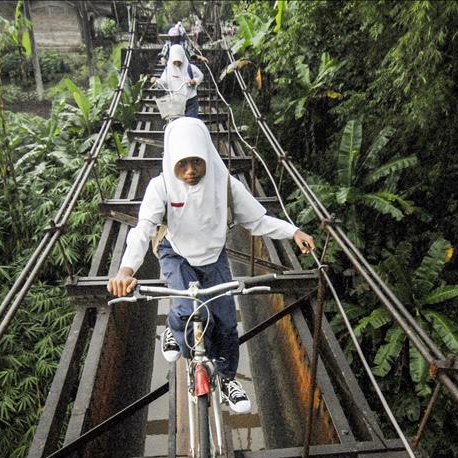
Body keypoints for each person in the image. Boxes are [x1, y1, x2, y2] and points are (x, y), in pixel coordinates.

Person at [108, 117, 315, 413]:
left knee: (227, 324)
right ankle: (175, 330)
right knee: (186, 311)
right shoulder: (161, 186)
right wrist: (126, 271)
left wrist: (292, 232)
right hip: (176, 253)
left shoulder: (225, 185)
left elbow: (256, 220)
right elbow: (143, 231)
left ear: (207, 155)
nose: (190, 171)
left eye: (197, 162)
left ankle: (228, 377)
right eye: (183, 164)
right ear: (172, 161)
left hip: (213, 256)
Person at [151, 44, 203, 118]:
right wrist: (156, 81)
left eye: (179, 62)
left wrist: (195, 81)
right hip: (176, 101)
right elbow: (163, 82)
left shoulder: (190, 67)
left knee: (191, 121)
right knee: (176, 122)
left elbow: (200, 75)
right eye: (175, 62)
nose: (177, 64)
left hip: (190, 100)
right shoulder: (168, 70)